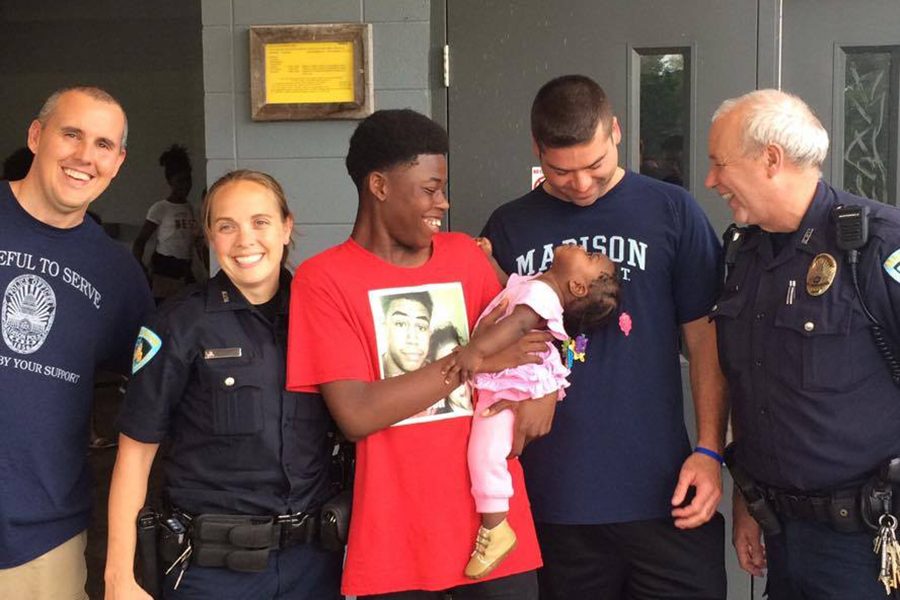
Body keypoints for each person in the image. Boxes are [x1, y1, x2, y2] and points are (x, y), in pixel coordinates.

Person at [481, 74, 728, 599]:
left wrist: (710, 450)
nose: (581, 185)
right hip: (555, 497)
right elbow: (485, 345)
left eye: (594, 166)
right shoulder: (508, 227)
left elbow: (706, 341)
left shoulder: (672, 211)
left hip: (664, 491)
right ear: (537, 150)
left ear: (616, 132)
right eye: (561, 171)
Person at [286, 108, 550, 599]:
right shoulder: (323, 280)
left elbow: (534, 339)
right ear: (380, 186)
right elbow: (358, 413)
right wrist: (477, 361)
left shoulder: (466, 257)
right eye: (430, 189)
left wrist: (544, 393)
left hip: (494, 529)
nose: (443, 203)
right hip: (396, 543)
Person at [104, 170, 343, 599]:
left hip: (313, 567)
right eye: (226, 226)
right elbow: (135, 456)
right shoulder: (178, 324)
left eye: (260, 222)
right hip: (214, 571)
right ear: (209, 237)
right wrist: (119, 576)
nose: (244, 240)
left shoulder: (324, 314)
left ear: (287, 226)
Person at [707, 89, 900, 598]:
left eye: (719, 164)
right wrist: (746, 504)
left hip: (866, 542)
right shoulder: (742, 256)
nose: (710, 181)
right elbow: (752, 389)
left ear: (770, 158)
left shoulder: (878, 244)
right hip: (781, 533)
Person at [0, 86, 152, 600]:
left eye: (104, 145)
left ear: (118, 161)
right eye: (72, 134)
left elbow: (151, 398)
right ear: (37, 135)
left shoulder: (118, 274)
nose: (86, 156)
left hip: (42, 539)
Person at [443, 243, 619, 580]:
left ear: (578, 287)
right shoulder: (537, 285)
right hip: (509, 375)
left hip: (516, 380)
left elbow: (517, 326)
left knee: (486, 450)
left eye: (591, 257)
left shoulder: (541, 299)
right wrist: (489, 259)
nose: (586, 249)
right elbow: (506, 291)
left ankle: (496, 526)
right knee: (484, 442)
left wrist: (474, 352)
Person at [133, 144, 198, 303]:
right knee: (164, 310)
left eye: (188, 180)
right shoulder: (160, 208)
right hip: (165, 268)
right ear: (170, 181)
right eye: (180, 181)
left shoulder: (190, 208)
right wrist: (140, 270)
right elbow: (140, 241)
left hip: (185, 267)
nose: (185, 185)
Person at [380, 291, 434, 378]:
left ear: (429, 333)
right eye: (400, 324)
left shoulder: (438, 373)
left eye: (421, 328)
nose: (413, 339)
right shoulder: (368, 373)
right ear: (384, 328)